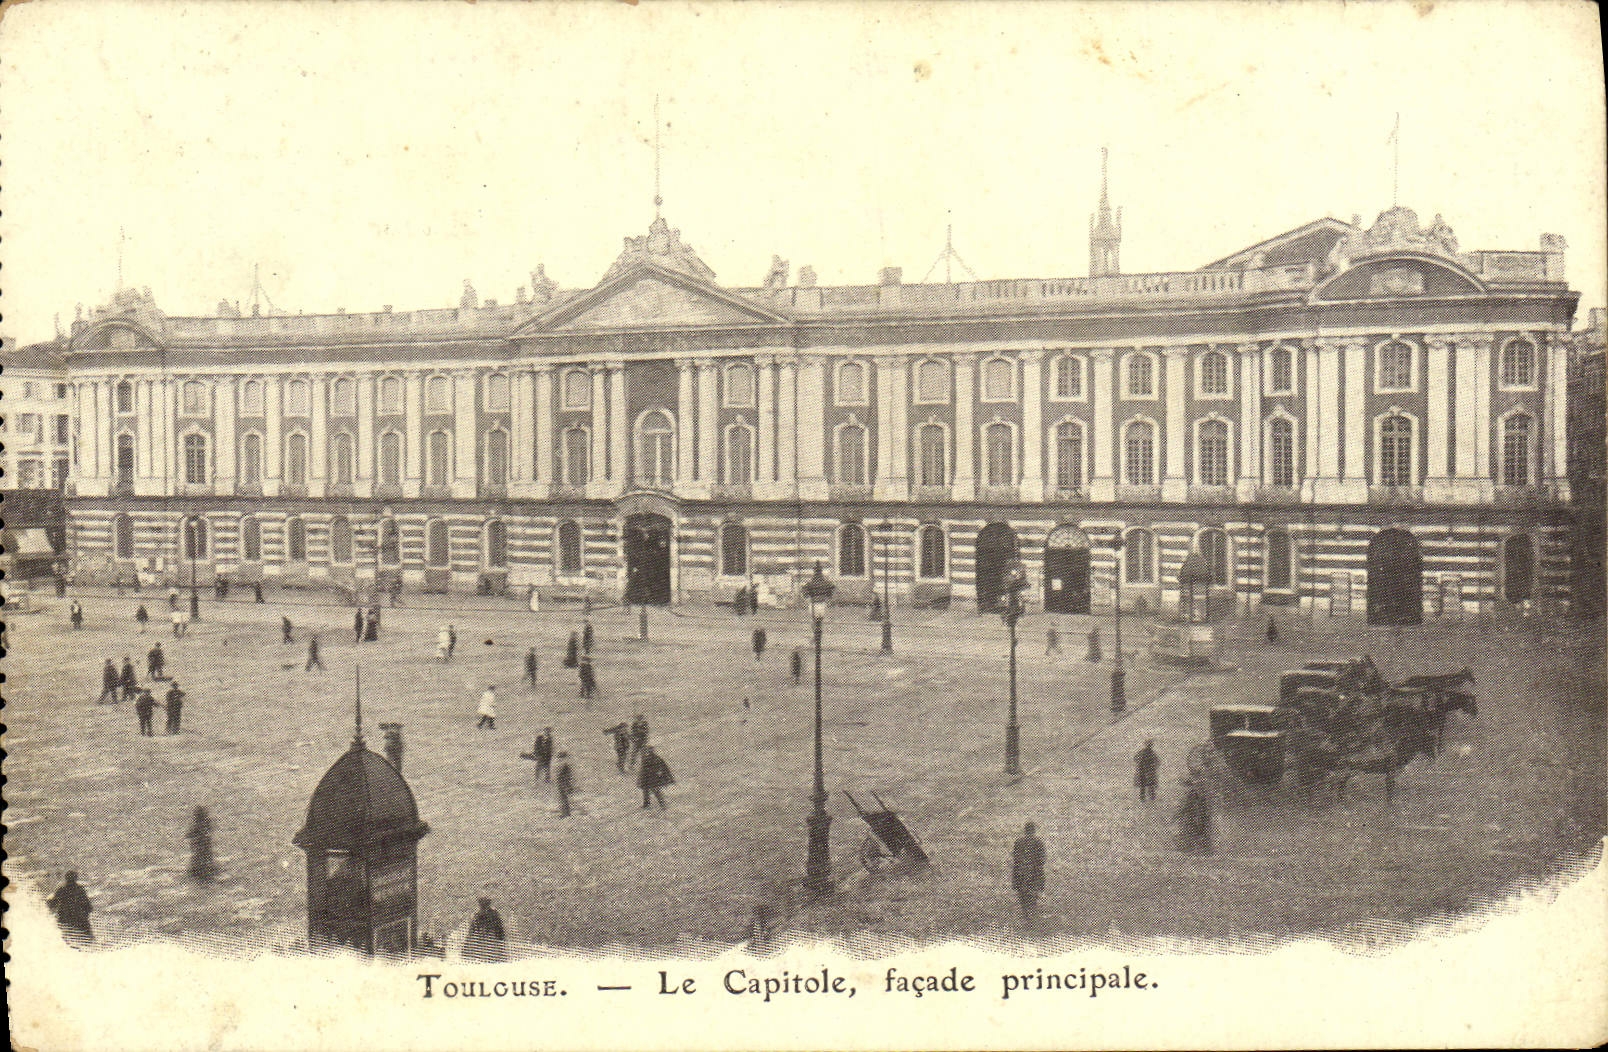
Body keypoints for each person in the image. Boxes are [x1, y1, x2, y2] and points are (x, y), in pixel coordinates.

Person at [1010, 821, 1047, 923]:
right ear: (1034, 830)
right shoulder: (1039, 842)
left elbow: (1016, 858)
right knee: (1033, 894)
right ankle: (1031, 915)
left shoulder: (1018, 842)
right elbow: (1042, 860)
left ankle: (1026, 914)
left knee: (1022, 894)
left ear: (1025, 830)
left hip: (1020, 872)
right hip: (1035, 872)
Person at [46, 871, 94, 945]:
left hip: (65, 920)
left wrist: (48, 901)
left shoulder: (61, 890)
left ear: (66, 879)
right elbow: (89, 907)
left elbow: (52, 905)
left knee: (65, 940)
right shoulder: (80, 890)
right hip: (79, 920)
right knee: (88, 940)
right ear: (76, 879)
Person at [461, 898, 507, 962]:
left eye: (483, 905)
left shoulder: (489, 915)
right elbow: (472, 930)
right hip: (487, 942)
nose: (483, 907)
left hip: (489, 941)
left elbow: (499, 930)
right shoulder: (480, 915)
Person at [1176, 779, 1214, 854]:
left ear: (1188, 786)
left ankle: (1193, 849)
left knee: (1194, 833)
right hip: (1198, 818)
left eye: (1184, 787)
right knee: (1199, 834)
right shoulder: (1195, 794)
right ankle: (1204, 849)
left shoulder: (1192, 794)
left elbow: (1187, 807)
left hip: (1194, 818)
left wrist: (1177, 815)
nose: (1182, 789)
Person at [186, 806, 218, 882]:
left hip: (201, 858)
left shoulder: (197, 827)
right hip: (202, 858)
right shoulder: (203, 827)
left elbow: (188, 836)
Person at [637, 745, 674, 810]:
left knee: (654, 790)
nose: (647, 752)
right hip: (647, 777)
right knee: (647, 791)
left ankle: (661, 804)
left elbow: (663, 768)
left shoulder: (654, 759)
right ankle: (648, 804)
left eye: (648, 751)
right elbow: (643, 769)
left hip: (651, 777)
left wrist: (668, 777)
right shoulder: (650, 758)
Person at [555, 751, 574, 818]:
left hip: (564, 784)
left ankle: (565, 813)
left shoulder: (565, 766)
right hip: (562, 784)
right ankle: (566, 812)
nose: (559, 760)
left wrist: (568, 785)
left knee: (563, 798)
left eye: (561, 758)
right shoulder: (563, 766)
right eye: (559, 758)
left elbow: (568, 777)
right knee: (563, 798)